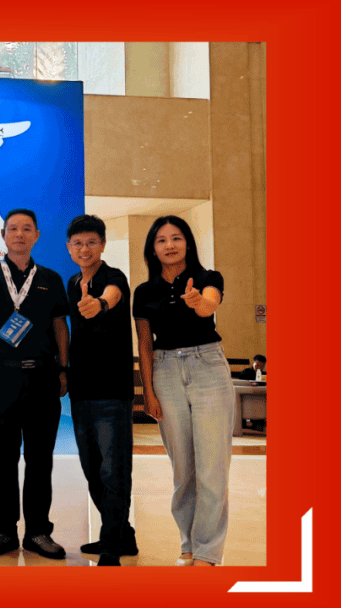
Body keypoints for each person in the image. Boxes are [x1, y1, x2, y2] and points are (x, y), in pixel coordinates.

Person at [133, 215, 234, 567]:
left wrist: (196, 302)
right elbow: (144, 344)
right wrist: (148, 392)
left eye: (176, 238)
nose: (170, 245)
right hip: (165, 371)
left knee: (212, 467)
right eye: (161, 240)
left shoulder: (208, 279)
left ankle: (208, 551)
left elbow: (209, 305)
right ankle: (188, 544)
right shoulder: (144, 292)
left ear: (188, 243)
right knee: (183, 469)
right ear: (153, 249)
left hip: (208, 368)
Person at [0, 208, 70, 559]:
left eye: (27, 229)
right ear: (3, 235)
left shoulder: (51, 278)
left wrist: (64, 368)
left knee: (40, 459)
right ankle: (4, 531)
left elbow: (60, 326)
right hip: (2, 376)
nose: (19, 234)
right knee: (4, 458)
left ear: (37, 235)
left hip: (43, 376)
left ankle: (38, 532)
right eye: (12, 228)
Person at [64, 215, 136, 567]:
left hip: (112, 391)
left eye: (91, 242)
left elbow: (112, 295)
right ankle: (124, 534)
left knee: (113, 469)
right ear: (69, 248)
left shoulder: (113, 277)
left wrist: (100, 304)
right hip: (82, 390)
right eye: (78, 243)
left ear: (103, 245)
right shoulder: (72, 282)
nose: (85, 249)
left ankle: (111, 544)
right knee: (92, 468)